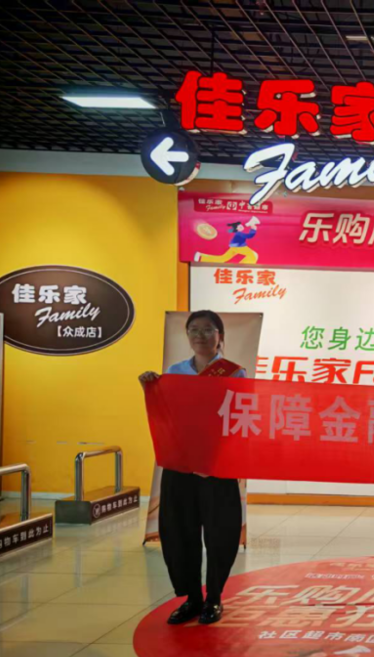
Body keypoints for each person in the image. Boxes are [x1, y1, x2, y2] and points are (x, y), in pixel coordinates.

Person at [138, 311, 246, 625]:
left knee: (220, 532)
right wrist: (149, 387)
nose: (200, 336)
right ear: (187, 336)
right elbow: (165, 415)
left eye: (208, 330)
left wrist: (219, 456)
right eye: (194, 330)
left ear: (220, 336)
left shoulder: (234, 372)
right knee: (179, 531)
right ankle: (192, 598)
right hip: (181, 465)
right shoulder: (174, 372)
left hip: (216, 465)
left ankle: (214, 598)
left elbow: (239, 417)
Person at [194, 216, 261, 264]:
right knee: (253, 255)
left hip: (235, 247)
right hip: (240, 247)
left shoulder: (238, 233)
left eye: (241, 226)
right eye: (240, 226)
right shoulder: (239, 234)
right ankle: (240, 268)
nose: (241, 227)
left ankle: (201, 257)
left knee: (223, 258)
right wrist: (253, 229)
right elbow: (249, 236)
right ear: (236, 229)